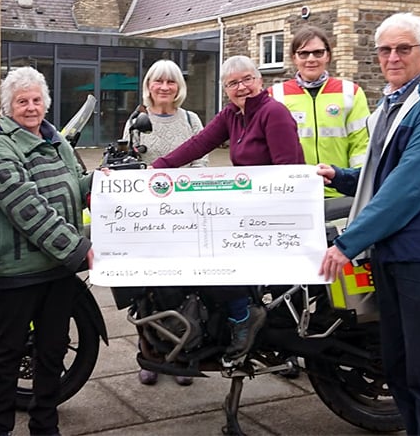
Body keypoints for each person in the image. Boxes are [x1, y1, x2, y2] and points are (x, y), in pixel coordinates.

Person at [318, 12, 420, 436]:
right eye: (385, 49)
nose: (392, 57)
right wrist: (341, 175)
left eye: (403, 48)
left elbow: (409, 185)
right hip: (395, 254)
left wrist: (349, 242)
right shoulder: (395, 101)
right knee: (401, 369)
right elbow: (386, 171)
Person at [152, 55, 305, 362]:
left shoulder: (272, 113)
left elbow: (288, 173)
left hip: (277, 214)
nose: (242, 87)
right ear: (225, 89)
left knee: (210, 255)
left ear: (260, 81)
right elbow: (197, 144)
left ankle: (242, 315)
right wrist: (154, 170)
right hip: (251, 210)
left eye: (247, 79)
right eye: (233, 83)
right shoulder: (233, 115)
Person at [0, 66, 94, 436]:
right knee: (9, 352)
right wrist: (77, 248)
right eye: (21, 101)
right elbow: (27, 208)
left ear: (45, 102)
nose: (30, 107)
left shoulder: (55, 139)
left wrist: (104, 179)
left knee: (53, 349)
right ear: (8, 106)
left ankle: (45, 425)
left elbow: (72, 185)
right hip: (21, 270)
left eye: (36, 100)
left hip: (58, 270)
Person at [123, 59, 207, 386]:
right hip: (148, 216)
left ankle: (183, 352)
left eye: (170, 82)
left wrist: (186, 186)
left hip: (185, 214)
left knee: (186, 287)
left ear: (178, 87)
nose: (164, 87)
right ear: (149, 85)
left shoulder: (191, 119)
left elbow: (201, 162)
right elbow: (128, 163)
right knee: (147, 289)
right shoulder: (136, 120)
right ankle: (151, 354)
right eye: (158, 81)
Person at [268, 25, 370, 198]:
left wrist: (354, 181)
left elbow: (361, 144)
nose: (311, 59)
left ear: (328, 56)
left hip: (340, 192)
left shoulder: (350, 92)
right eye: (304, 53)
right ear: (294, 58)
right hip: (293, 192)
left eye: (318, 53)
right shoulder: (275, 95)